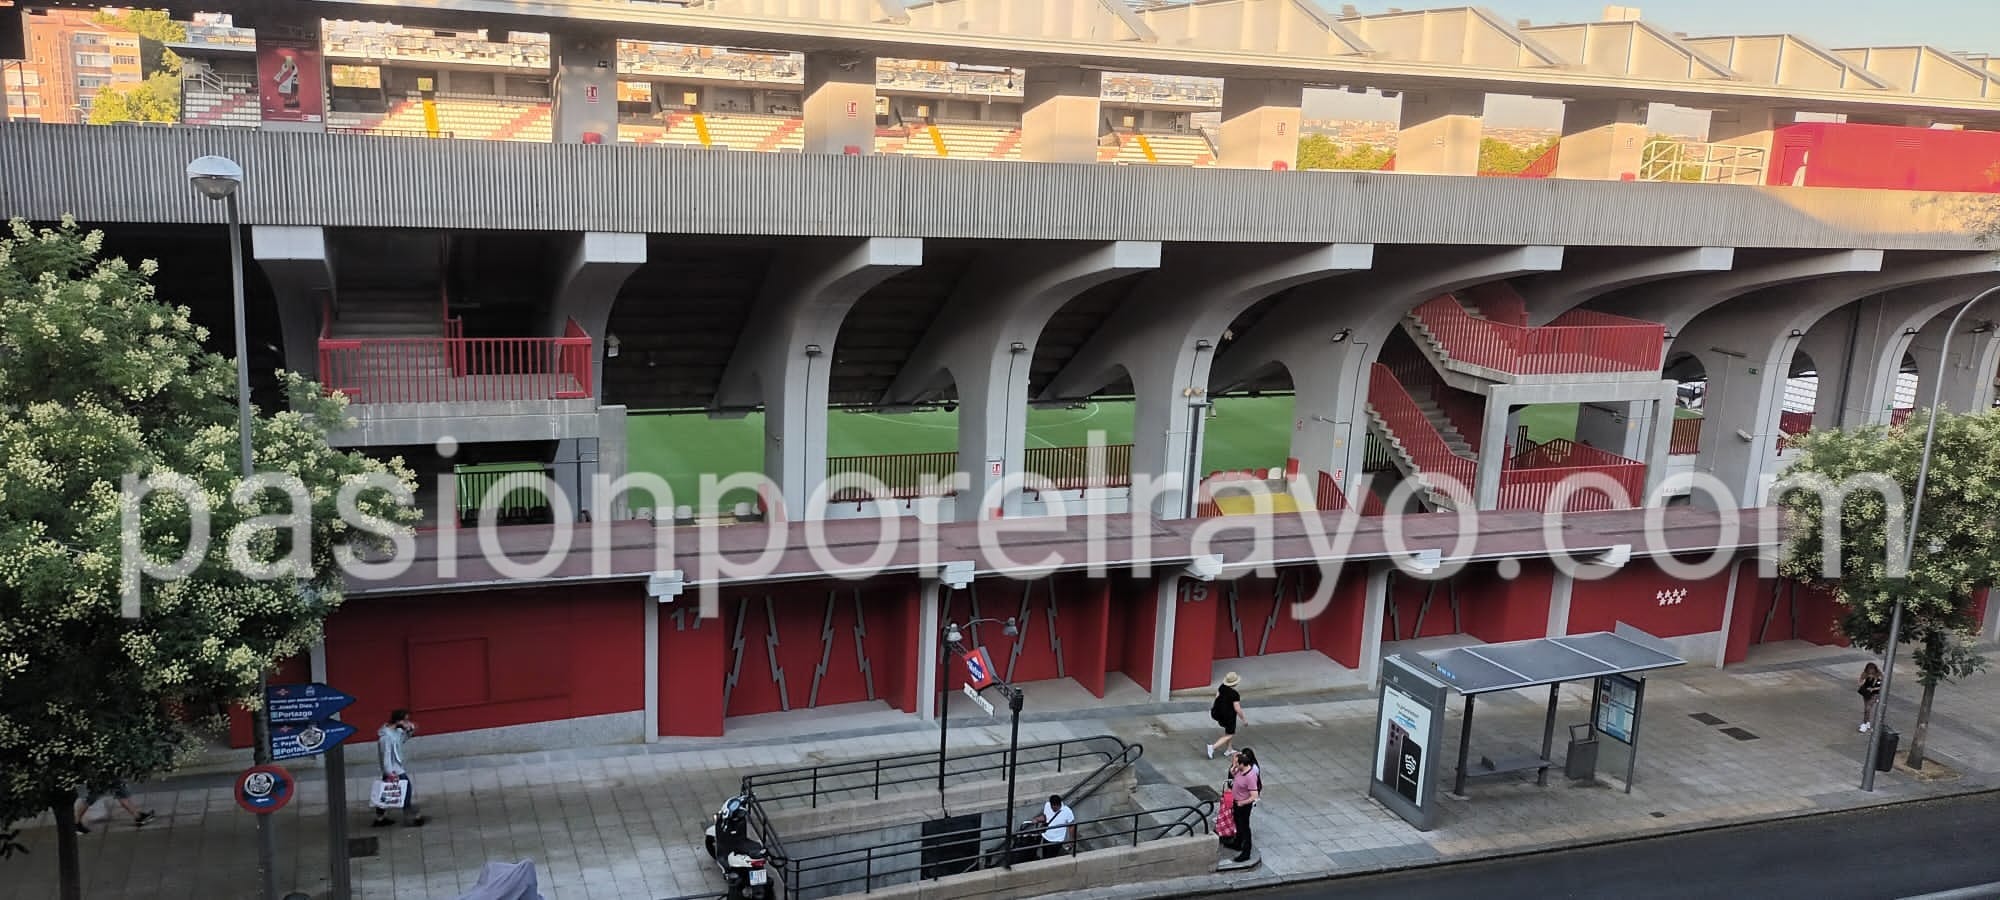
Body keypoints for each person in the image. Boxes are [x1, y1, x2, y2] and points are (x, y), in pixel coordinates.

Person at [372, 709, 427, 828]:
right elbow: (386, 756)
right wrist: (390, 772)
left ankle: (380, 818)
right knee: (406, 790)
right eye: (405, 720)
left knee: (385, 793)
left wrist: (409, 731)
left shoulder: (396, 731)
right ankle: (412, 818)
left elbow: (402, 740)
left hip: (395, 767)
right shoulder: (386, 738)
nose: (407, 722)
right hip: (394, 769)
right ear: (397, 721)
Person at [72, 783, 154, 834]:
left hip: (104, 772)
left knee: (120, 790)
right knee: (92, 796)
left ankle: (138, 816)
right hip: (103, 773)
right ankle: (75, 823)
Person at [1226, 748, 1261, 863]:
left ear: (1242, 764)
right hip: (1236, 802)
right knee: (1237, 823)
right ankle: (1237, 842)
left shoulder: (1250, 776)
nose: (1234, 764)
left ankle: (1246, 852)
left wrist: (1243, 802)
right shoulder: (1240, 770)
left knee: (1245, 827)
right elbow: (1234, 776)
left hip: (1243, 805)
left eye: (1236, 763)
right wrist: (1233, 768)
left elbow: (1254, 795)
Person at [1207, 672, 1245, 759]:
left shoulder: (1221, 687)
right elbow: (1237, 708)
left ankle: (1229, 749)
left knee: (1228, 731)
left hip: (1218, 713)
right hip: (1229, 716)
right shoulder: (1235, 694)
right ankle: (1212, 747)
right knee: (1230, 734)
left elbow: (1217, 698)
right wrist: (1243, 719)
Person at [1039, 794, 1075, 860]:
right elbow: (1045, 816)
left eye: (1055, 808)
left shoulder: (1067, 811)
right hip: (1046, 837)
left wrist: (1071, 840)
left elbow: (1071, 826)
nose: (1053, 809)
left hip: (1057, 840)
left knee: (1050, 859)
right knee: (1045, 857)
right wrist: (1038, 819)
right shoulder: (1047, 805)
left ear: (1059, 805)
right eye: (1052, 807)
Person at [1858, 662, 1884, 733]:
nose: (1870, 672)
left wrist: (1873, 689)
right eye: (1869, 670)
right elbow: (1860, 682)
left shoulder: (1879, 675)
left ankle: (1864, 724)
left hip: (1875, 694)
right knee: (1866, 709)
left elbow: (1882, 686)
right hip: (1866, 693)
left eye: (1872, 670)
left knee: (1868, 708)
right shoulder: (1865, 674)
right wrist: (1862, 683)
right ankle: (1867, 722)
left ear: (1875, 669)